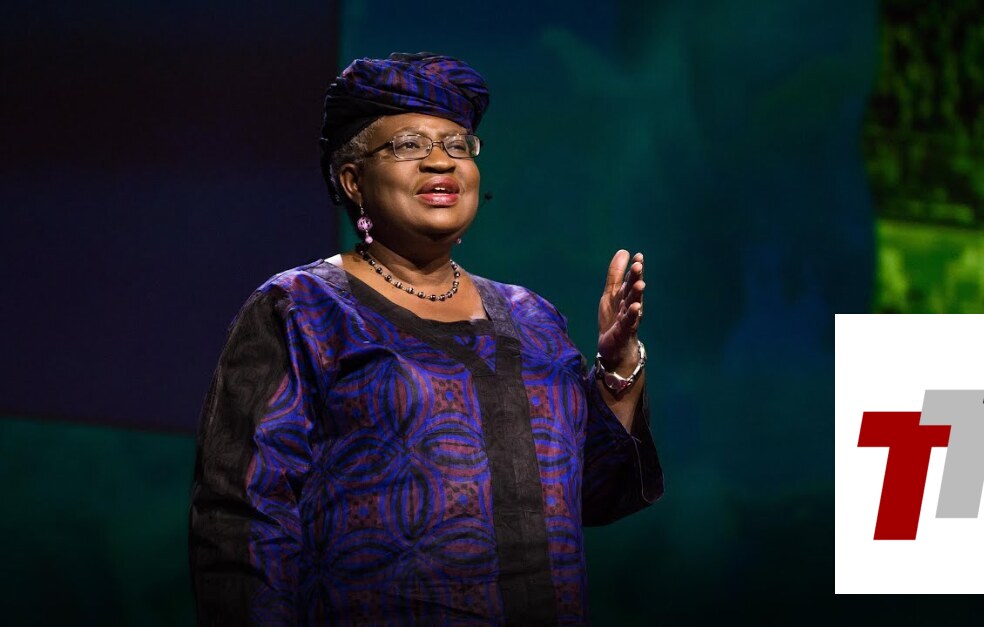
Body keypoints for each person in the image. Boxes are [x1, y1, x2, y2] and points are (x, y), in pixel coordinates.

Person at [188, 52, 663, 625]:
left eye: (458, 145)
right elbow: (241, 520)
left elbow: (591, 494)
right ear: (353, 180)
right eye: (409, 144)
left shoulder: (532, 318)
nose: (441, 160)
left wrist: (616, 366)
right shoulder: (302, 309)